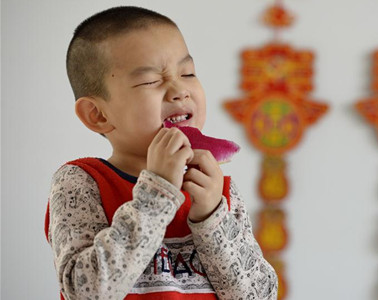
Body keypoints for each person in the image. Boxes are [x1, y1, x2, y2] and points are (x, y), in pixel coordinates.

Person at [44, 6, 278, 300]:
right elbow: (87, 292)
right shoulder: (81, 182)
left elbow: (259, 295)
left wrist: (211, 216)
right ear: (98, 115)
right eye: (151, 81)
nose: (180, 90)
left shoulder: (219, 192)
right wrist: (158, 193)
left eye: (188, 73)